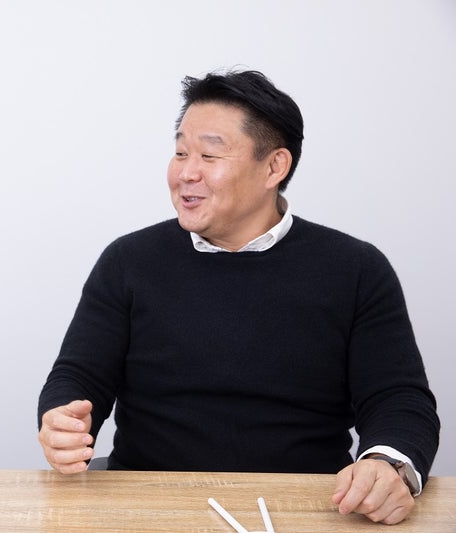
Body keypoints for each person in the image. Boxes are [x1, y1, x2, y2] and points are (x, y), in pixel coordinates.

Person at [37, 70, 439, 525]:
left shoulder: (357, 269)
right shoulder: (129, 260)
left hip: (307, 506)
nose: (186, 172)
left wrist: (388, 466)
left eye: (209, 154)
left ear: (274, 167)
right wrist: (61, 420)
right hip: (150, 502)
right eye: (180, 152)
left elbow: (398, 399)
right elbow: (78, 375)